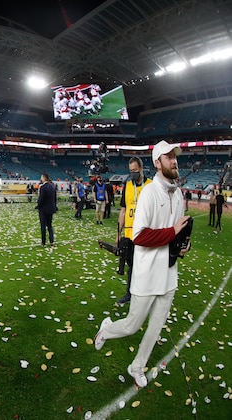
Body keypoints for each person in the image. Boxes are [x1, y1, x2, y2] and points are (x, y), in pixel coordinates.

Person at [94, 140, 191, 389]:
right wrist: (171, 232)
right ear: (157, 164)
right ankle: (106, 330)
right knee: (132, 325)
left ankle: (137, 366)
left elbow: (177, 231)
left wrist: (182, 245)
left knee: (156, 327)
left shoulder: (178, 193)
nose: (174, 160)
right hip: (147, 274)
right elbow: (139, 236)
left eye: (175, 156)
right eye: (168, 157)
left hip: (169, 274)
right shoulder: (150, 192)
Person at [115, 157, 152, 304]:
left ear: (141, 169)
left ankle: (145, 294)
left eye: (135, 171)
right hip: (129, 233)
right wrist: (119, 232)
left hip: (145, 233)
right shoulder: (128, 186)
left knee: (144, 265)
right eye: (131, 171)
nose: (133, 174)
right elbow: (123, 210)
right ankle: (130, 293)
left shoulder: (150, 186)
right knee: (130, 264)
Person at [36, 173, 57, 246]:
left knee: (43, 226)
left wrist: (38, 206)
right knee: (50, 226)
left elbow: (41, 199)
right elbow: (54, 198)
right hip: (51, 208)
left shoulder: (42, 187)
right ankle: (52, 241)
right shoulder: (53, 186)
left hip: (44, 209)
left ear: (44, 178)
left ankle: (43, 242)